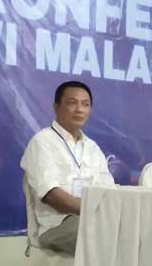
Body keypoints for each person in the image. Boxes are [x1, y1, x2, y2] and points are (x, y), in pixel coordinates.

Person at [20, 80, 114, 255]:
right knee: (106, 232)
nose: (79, 109)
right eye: (72, 103)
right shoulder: (42, 142)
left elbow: (108, 192)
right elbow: (53, 197)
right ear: (56, 107)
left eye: (85, 104)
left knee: (132, 228)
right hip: (56, 225)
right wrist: (93, 209)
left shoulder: (92, 147)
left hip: (92, 218)